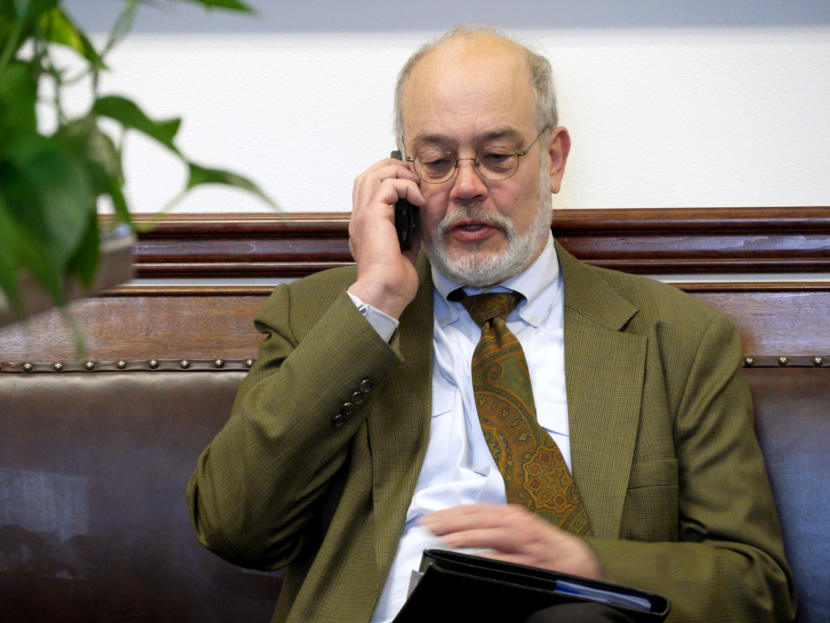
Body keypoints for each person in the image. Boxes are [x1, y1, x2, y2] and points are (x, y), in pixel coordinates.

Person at [187, 24, 795, 622]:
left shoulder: (678, 339)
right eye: (436, 161)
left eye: (498, 157)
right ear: (402, 172)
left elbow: (755, 586)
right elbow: (235, 528)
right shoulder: (323, 317)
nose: (467, 187)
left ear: (553, 159)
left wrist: (588, 564)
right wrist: (375, 304)